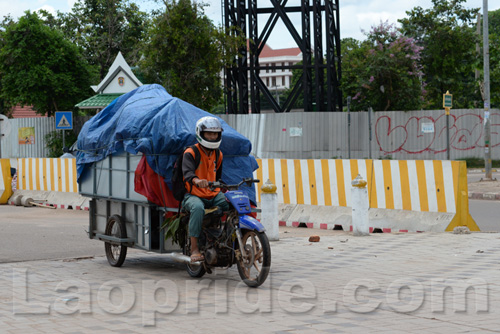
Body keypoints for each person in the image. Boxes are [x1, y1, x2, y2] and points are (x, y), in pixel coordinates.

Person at [182, 116, 229, 262]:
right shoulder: (191, 153)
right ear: (200, 134)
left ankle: (227, 240)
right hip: (193, 195)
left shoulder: (218, 154)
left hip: (213, 194)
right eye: (209, 133)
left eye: (215, 134)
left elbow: (218, 177)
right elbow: (188, 174)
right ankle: (194, 248)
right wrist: (197, 180)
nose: (212, 136)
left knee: (231, 204)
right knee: (197, 208)